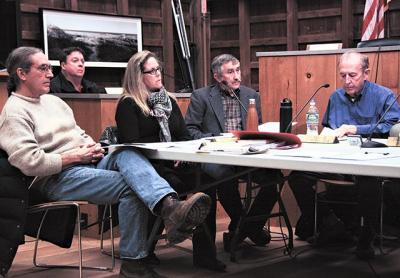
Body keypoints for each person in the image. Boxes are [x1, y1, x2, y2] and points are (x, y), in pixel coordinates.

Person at [0, 46, 211, 278]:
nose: (51, 74)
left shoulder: (54, 102)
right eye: (44, 68)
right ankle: (137, 259)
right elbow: (30, 163)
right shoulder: (14, 113)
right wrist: (75, 156)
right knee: (132, 187)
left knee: (127, 152)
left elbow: (79, 135)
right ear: (21, 74)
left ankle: (168, 207)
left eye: (50, 68)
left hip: (87, 163)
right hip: (56, 176)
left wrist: (92, 146)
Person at [115, 50, 225, 271]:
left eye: (159, 69)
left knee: (208, 182)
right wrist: (167, 153)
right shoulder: (128, 104)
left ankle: (204, 255)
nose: (158, 74)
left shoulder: (169, 102)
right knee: (170, 184)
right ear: (138, 76)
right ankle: (147, 249)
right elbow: (132, 145)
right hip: (148, 168)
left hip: (174, 164)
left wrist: (181, 155)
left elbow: (183, 135)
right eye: (152, 71)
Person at [288, 50, 400, 260]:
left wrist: (355, 129)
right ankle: (330, 224)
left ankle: (366, 236)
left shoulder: (383, 95)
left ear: (366, 74)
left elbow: (392, 126)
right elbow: (329, 128)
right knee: (298, 176)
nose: (347, 81)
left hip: (370, 163)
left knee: (369, 181)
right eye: (343, 75)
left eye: (353, 75)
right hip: (337, 161)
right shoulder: (336, 97)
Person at [185, 54, 283, 251]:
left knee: (275, 178)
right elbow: (190, 130)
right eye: (231, 72)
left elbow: (257, 128)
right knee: (224, 177)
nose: (237, 76)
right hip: (216, 156)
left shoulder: (250, 95)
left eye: (238, 70)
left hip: (246, 156)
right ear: (217, 76)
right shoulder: (201, 96)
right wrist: (219, 137)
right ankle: (245, 226)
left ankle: (245, 228)